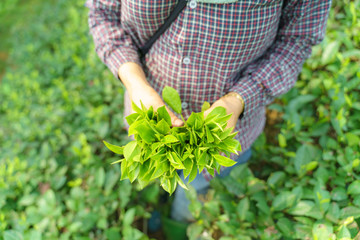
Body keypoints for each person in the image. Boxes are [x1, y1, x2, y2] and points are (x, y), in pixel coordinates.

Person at [85, 0, 331, 225]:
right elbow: (103, 12)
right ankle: (154, 218)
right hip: (148, 123)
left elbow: (297, 40)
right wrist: (136, 82)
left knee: (195, 202)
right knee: (153, 185)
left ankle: (178, 226)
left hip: (225, 137)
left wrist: (239, 100)